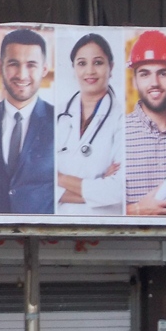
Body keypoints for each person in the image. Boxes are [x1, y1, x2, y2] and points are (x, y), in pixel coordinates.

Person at [55, 33, 124, 215]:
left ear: (111, 67)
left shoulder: (123, 118)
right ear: (73, 68)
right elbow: (37, 184)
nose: (90, 71)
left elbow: (118, 190)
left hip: (106, 224)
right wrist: (98, 188)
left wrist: (59, 178)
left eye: (98, 62)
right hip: (58, 224)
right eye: (82, 63)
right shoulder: (55, 114)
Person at [124, 30, 166, 215]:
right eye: (144, 74)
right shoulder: (115, 133)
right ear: (135, 81)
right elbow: (94, 210)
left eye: (163, 73)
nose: (154, 83)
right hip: (130, 235)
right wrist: (136, 210)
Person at [0, 28, 55, 214]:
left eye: (31, 65)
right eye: (13, 64)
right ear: (0, 65)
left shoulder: (61, 122)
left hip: (43, 230)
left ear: (44, 69)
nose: (22, 74)